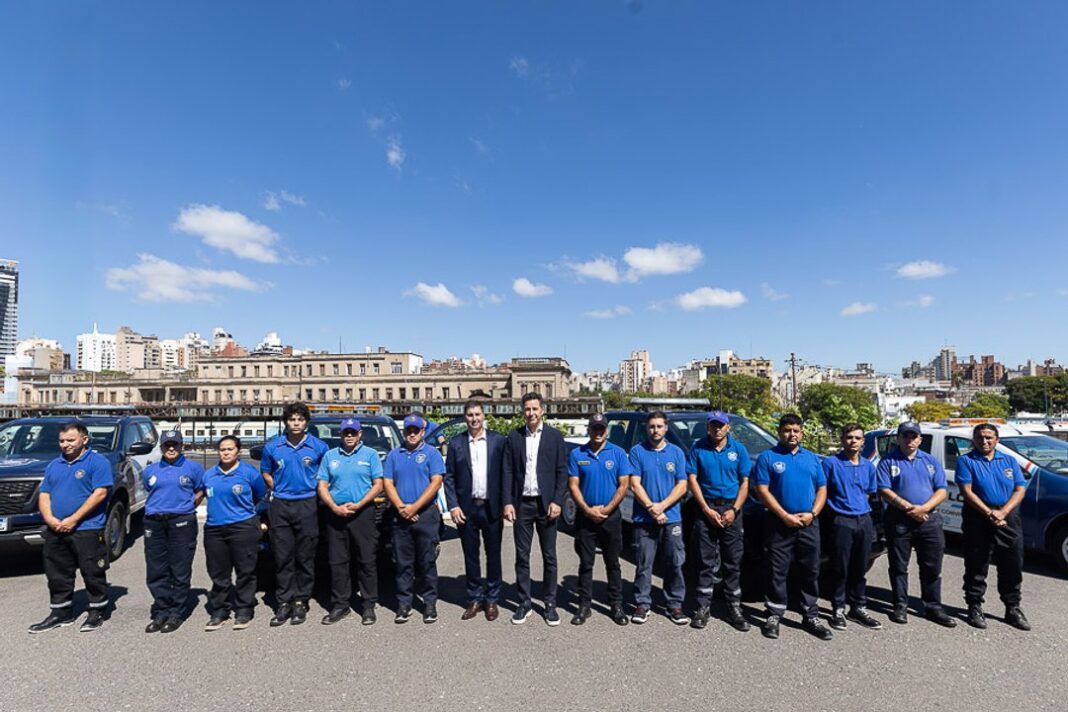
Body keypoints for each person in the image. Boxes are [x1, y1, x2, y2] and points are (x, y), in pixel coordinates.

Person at [753, 414, 833, 641]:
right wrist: (784, 516)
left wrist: (813, 513)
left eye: (796, 430)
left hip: (808, 523)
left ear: (802, 433)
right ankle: (774, 613)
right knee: (777, 570)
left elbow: (822, 489)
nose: (792, 434)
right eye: (787, 430)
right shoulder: (767, 457)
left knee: (810, 570)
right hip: (778, 523)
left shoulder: (812, 459)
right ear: (779, 432)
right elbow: (762, 490)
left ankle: (810, 615)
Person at [28, 422, 114, 634]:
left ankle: (97, 610)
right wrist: (50, 519)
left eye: (70, 440)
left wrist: (74, 519)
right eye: (62, 441)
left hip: (87, 528)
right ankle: (61, 612)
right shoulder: (54, 465)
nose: (65, 444)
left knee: (92, 571)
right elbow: (45, 494)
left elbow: (100, 493)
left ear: (84, 440)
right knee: (57, 572)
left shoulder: (98, 462)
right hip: (56, 528)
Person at [876, 421, 956, 627]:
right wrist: (908, 508)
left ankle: (933, 606)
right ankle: (900, 605)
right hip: (899, 520)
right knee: (898, 566)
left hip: (929, 520)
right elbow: (884, 489)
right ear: (898, 438)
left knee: (931, 566)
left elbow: (941, 490)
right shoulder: (887, 461)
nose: (909, 440)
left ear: (920, 439)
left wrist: (924, 509)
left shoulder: (931, 461)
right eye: (905, 436)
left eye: (914, 436)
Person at [502, 392, 569, 626]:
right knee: (522, 556)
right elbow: (507, 471)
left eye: (534, 409)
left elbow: (562, 471)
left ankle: (550, 603)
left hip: (546, 504)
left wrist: (558, 500)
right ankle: (524, 603)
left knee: (549, 556)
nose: (531, 413)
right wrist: (507, 502)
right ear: (523, 411)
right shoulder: (514, 437)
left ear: (542, 410)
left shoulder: (554, 437)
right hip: (522, 504)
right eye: (527, 409)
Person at [260, 402, 328, 626]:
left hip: (307, 504)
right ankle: (284, 601)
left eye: (300, 419)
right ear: (286, 422)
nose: (296, 423)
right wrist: (278, 488)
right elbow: (266, 472)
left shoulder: (319, 447)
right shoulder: (273, 446)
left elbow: (325, 475)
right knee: (283, 555)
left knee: (305, 555)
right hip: (281, 505)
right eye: (292, 419)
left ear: (306, 422)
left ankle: (301, 600)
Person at [956, 423, 1030, 631]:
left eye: (989, 437)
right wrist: (990, 513)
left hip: (1007, 517)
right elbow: (967, 491)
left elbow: (1019, 489)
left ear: (997, 440)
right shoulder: (966, 461)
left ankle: (1012, 607)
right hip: (978, 516)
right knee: (976, 563)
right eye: (980, 437)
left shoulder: (1009, 460)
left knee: (1012, 563)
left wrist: (1003, 512)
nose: (984, 441)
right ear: (974, 440)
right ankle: (974, 605)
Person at [686, 410, 751, 632]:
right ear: (708, 427)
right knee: (705, 561)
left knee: (732, 561)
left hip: (731, 509)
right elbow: (692, 479)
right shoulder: (698, 447)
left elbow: (744, 482)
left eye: (721, 425)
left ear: (728, 427)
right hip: (707, 509)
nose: (717, 428)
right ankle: (703, 606)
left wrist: (734, 509)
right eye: (713, 425)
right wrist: (706, 509)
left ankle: (734, 607)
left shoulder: (738, 449)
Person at [316, 418, 384, 626]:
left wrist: (360, 503)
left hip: (363, 513)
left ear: (360, 434)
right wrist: (334, 507)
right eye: (345, 432)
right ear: (340, 434)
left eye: (353, 432)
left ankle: (368, 605)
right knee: (338, 561)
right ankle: (340, 604)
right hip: (336, 514)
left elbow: (378, 484)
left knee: (366, 560)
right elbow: (322, 485)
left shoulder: (371, 455)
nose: (349, 436)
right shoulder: (330, 456)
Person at [443, 400, 507, 622]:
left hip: (491, 508)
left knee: (493, 555)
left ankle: (492, 599)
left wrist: (506, 503)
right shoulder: (456, 443)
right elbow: (449, 477)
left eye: (477, 414)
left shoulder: (498, 441)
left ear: (483, 416)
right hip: (466, 509)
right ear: (465, 418)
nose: (474, 419)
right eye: (470, 415)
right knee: (471, 556)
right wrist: (453, 505)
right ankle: (475, 598)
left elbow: (506, 474)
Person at [567, 413, 631, 626]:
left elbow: (623, 485)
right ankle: (584, 606)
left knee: (613, 563)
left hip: (610, 518)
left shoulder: (618, 453)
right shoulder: (577, 454)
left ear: (606, 431)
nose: (598, 432)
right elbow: (573, 485)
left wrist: (607, 509)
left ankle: (616, 605)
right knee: (586, 563)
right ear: (588, 429)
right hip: (586, 518)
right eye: (594, 428)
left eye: (601, 428)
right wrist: (587, 510)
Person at [383, 413, 446, 624]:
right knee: (403, 563)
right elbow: (387, 483)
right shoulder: (394, 455)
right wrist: (401, 507)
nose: (412, 434)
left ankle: (429, 603)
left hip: (425, 514)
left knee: (427, 562)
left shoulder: (432, 454)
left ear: (422, 431)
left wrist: (414, 507)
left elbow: (436, 482)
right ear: (404, 431)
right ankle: (404, 604)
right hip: (400, 514)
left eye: (416, 430)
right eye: (408, 430)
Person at [628, 411, 689, 625]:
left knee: (675, 562)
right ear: (647, 428)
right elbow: (635, 484)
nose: (655, 430)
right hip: (644, 519)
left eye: (659, 426)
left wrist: (661, 506)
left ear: (666, 428)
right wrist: (651, 508)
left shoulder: (677, 453)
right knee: (644, 563)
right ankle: (642, 604)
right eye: (652, 426)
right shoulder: (637, 451)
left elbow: (682, 485)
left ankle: (674, 604)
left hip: (671, 518)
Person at [142, 430, 206, 633]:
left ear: (182, 446)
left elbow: (201, 490)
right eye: (167, 445)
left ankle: (176, 612)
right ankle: (161, 610)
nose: (171, 448)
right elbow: (150, 490)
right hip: (154, 522)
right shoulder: (150, 470)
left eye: (175, 444)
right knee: (156, 569)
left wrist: (187, 506)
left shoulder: (194, 468)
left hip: (181, 521)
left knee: (179, 568)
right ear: (161, 447)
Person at [203, 435, 267, 631]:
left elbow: (260, 494)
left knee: (245, 570)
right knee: (218, 572)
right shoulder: (209, 475)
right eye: (222, 449)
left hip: (242, 527)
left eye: (230, 449)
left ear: (238, 451)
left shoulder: (249, 473)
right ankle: (220, 610)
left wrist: (253, 518)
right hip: (214, 528)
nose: (226, 453)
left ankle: (244, 609)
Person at [822, 424, 882, 631]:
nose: (853, 441)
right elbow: (822, 491)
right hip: (841, 520)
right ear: (842, 439)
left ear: (863, 441)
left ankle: (858, 607)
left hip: (863, 520)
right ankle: (838, 608)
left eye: (857, 438)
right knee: (840, 567)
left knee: (860, 567)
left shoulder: (868, 466)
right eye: (849, 437)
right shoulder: (831, 463)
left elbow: (869, 492)